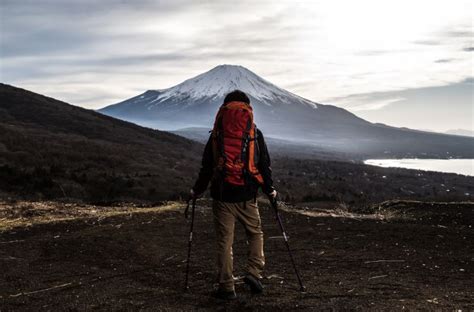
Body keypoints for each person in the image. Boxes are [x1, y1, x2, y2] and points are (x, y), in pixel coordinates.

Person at [191, 89, 277, 300]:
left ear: (224, 108)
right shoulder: (254, 133)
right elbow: (264, 165)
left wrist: (196, 191)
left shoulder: (216, 135)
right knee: (255, 234)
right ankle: (254, 272)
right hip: (247, 196)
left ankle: (227, 287)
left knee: (224, 242)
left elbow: (207, 167)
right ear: (248, 108)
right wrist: (270, 190)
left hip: (222, 197)